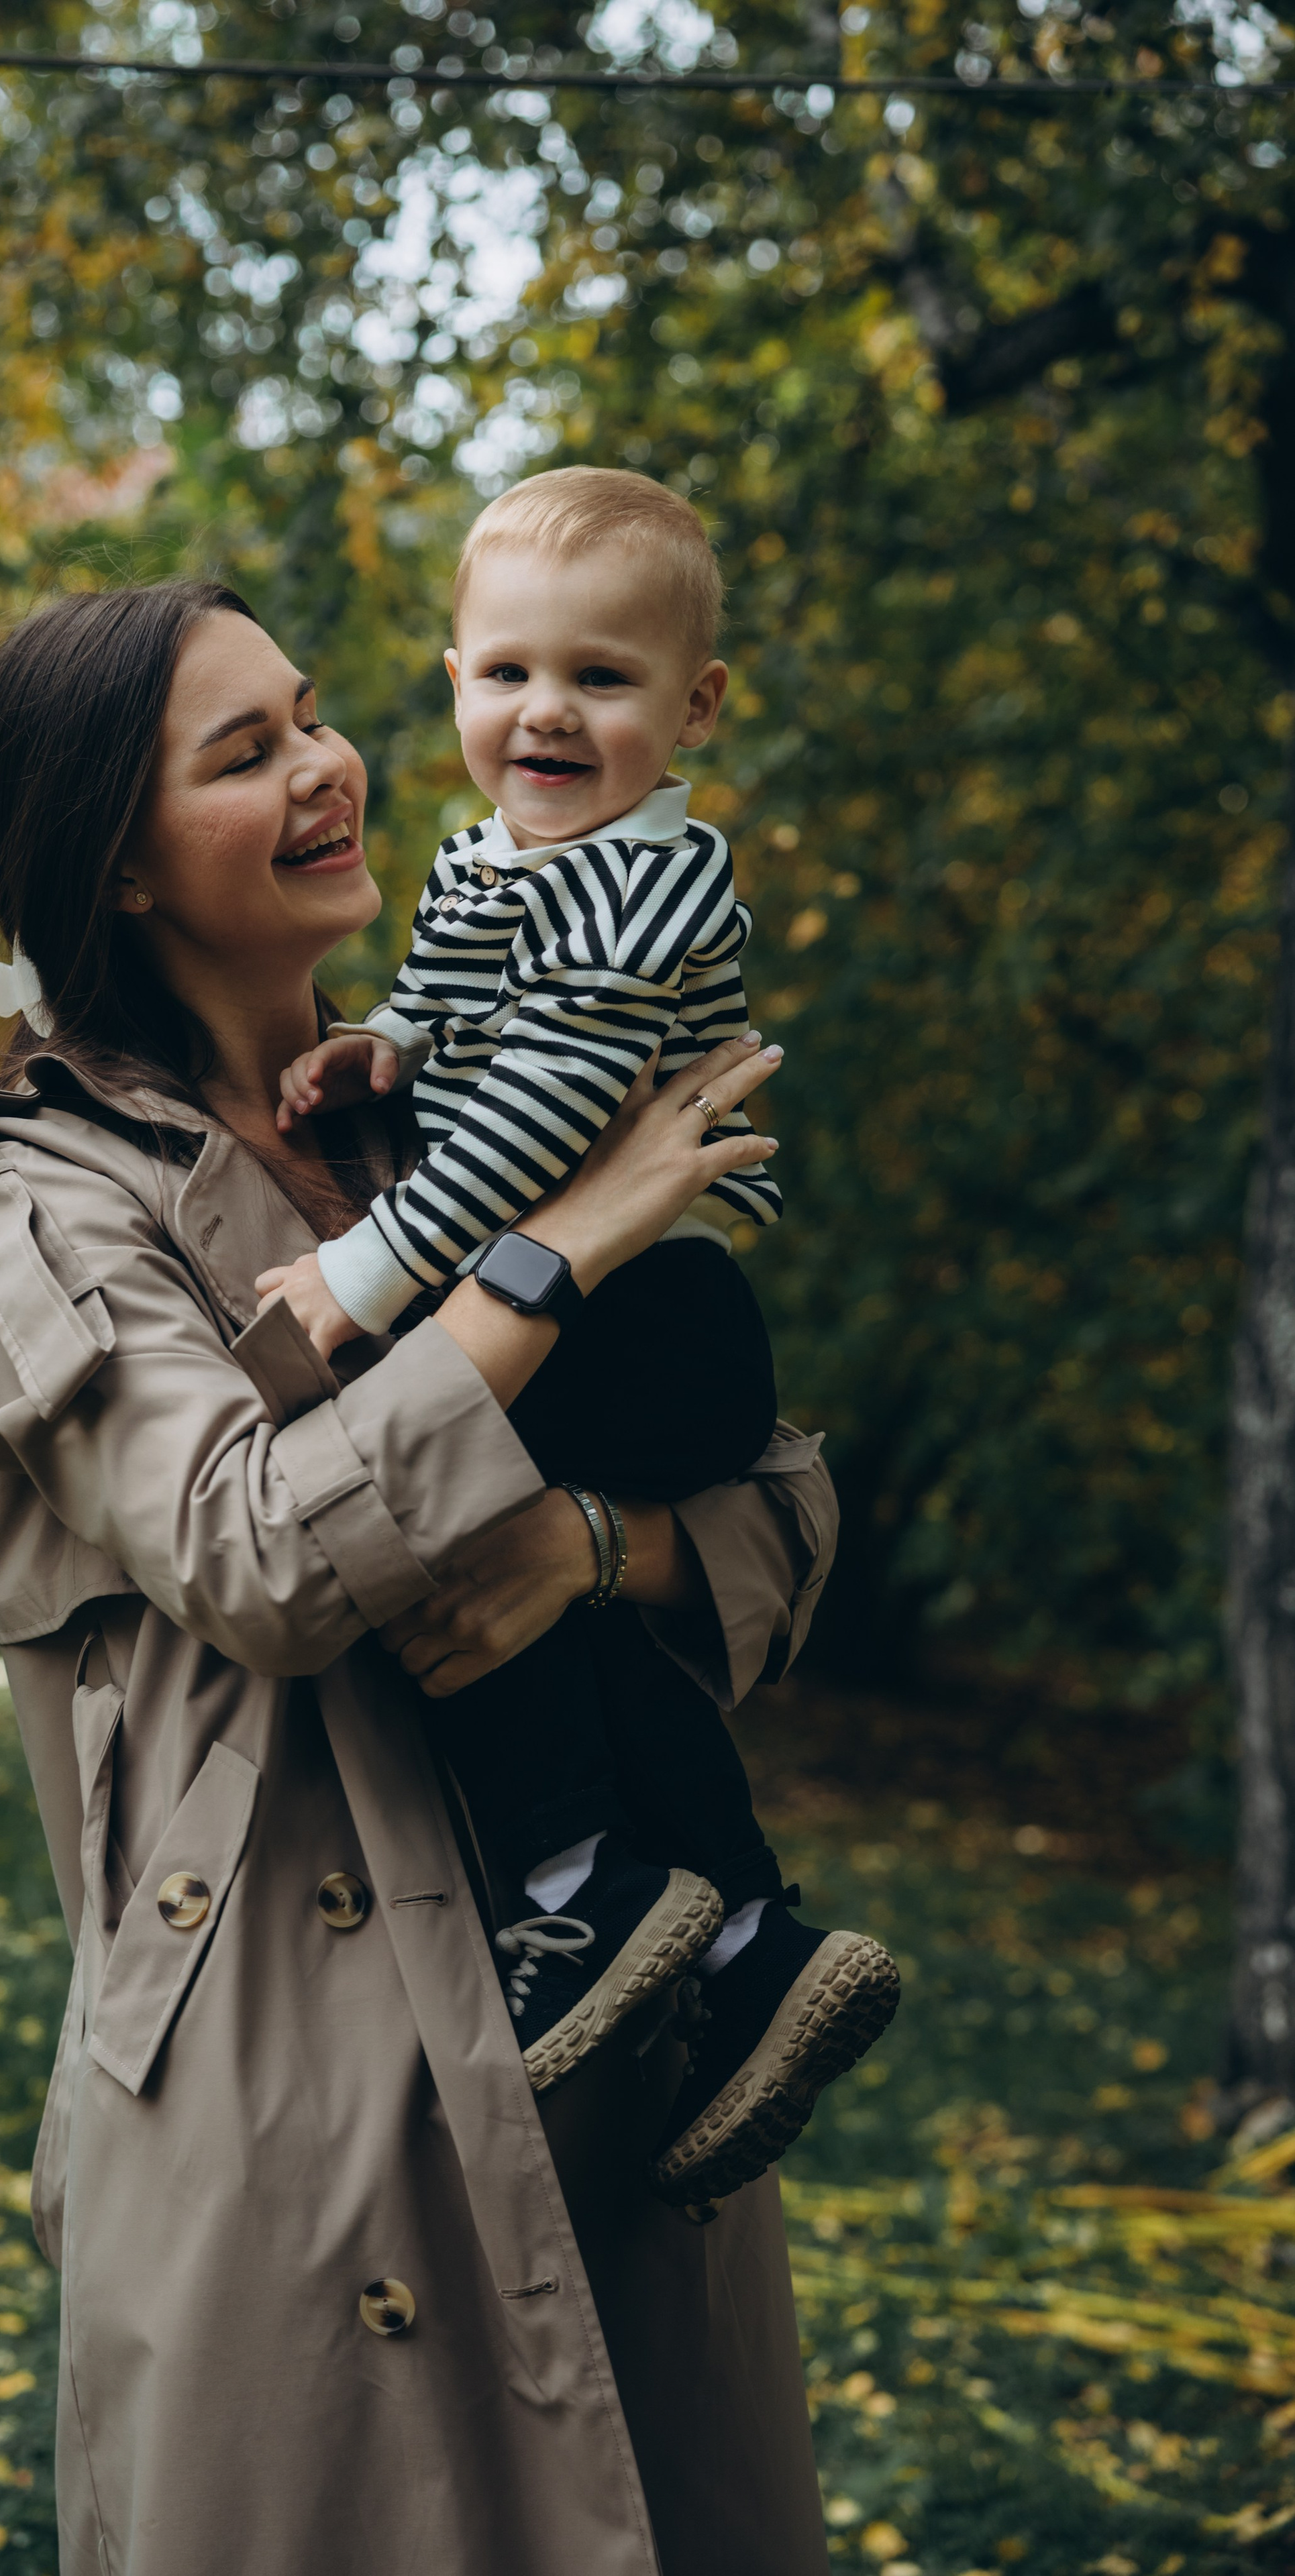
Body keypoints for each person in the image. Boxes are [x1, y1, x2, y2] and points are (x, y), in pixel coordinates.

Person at [0, 576, 840, 2575]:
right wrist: (560, 1262)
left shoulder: (455, 1102)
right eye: (246, 752)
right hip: (296, 2110)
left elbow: (780, 1517)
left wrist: (585, 1549)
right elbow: (257, 1552)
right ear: (116, 864)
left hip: (615, 2048)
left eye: (311, 715)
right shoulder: (39, 1190)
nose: (326, 768)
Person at [260, 470, 896, 2200]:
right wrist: (386, 1042)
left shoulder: (654, 882)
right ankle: (749, 1933)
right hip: (611, 1300)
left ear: (692, 708)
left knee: (433, 1509)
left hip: (663, 1310)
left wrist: (371, 1273)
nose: (547, 712)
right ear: (455, 671)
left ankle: (582, 1884)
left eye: (604, 680)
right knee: (562, 1597)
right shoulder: (500, 859)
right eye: (508, 672)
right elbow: (467, 1013)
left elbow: (548, 1097)